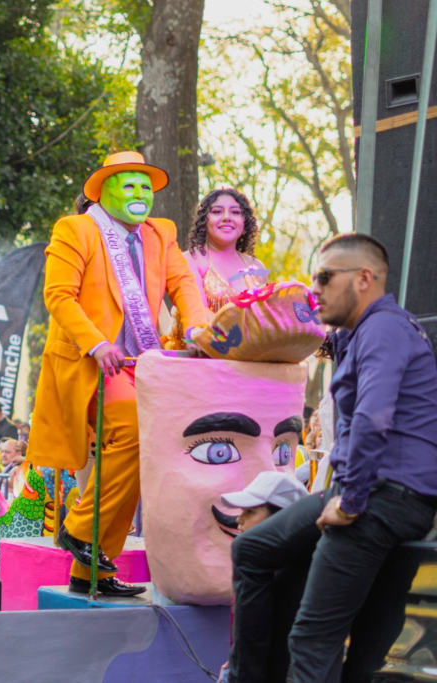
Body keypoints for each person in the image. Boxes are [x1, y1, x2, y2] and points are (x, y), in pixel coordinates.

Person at [228, 234, 437, 683]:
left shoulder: (385, 328)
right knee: (252, 550)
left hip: (383, 496)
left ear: (364, 279)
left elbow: (374, 417)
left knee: (312, 638)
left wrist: (351, 501)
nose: (314, 289)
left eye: (324, 277)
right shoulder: (361, 333)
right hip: (362, 488)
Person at [30, 151, 207, 597]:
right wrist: (96, 342)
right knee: (133, 427)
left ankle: (93, 572)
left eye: (146, 186)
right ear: (103, 191)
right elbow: (59, 295)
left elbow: (183, 285)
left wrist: (199, 324)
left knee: (145, 449)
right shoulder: (76, 230)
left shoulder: (159, 234)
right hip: (92, 363)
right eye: (129, 185)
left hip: (142, 364)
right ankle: (78, 526)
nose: (140, 194)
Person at [217, 471, 308, 683]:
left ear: (281, 520)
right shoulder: (261, 568)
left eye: (250, 512)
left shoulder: (295, 578)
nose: (239, 520)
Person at [165, 187, 268, 349]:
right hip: (195, 357)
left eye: (235, 212)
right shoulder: (189, 259)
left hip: (247, 359)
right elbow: (197, 309)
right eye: (217, 212)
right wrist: (233, 339)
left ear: (245, 221)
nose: (227, 217)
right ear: (204, 220)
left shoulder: (256, 267)